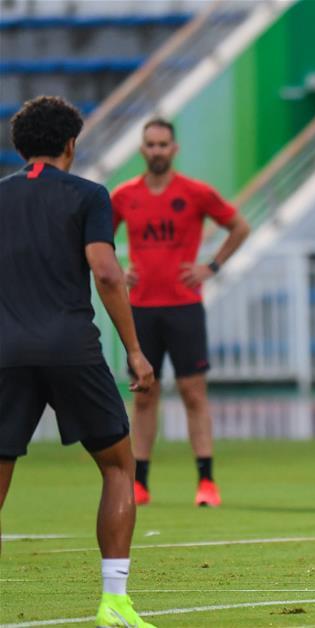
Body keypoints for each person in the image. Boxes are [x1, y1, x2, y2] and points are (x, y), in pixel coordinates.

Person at [0, 96, 156, 626]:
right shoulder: (88, 195)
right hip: (71, 348)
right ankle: (113, 600)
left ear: (19, 146)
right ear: (72, 143)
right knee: (117, 465)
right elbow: (108, 273)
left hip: (6, 352)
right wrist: (134, 350)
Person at [111, 118, 250, 507]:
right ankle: (139, 483)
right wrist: (118, 270)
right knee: (143, 395)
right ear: (143, 149)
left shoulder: (195, 193)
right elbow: (98, 239)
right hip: (140, 308)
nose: (156, 150)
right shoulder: (123, 196)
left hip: (185, 308)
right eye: (150, 144)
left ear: (174, 149)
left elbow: (239, 226)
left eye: (163, 144)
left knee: (193, 393)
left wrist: (212, 266)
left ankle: (206, 482)